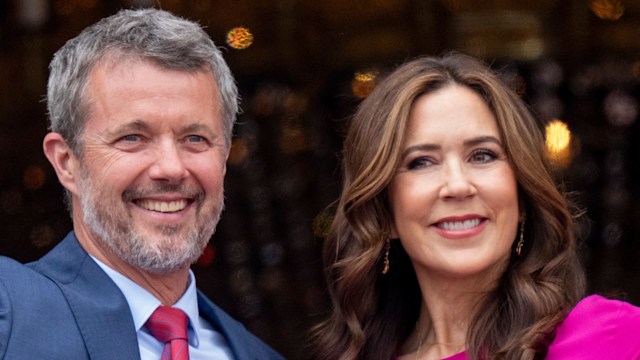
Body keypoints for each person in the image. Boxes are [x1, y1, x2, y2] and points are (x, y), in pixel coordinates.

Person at [311, 53, 640, 360]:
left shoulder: (610, 339)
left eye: (482, 155)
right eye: (421, 161)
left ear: (522, 196)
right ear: (383, 215)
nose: (457, 185)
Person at [0, 8, 283, 360]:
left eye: (195, 138)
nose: (171, 168)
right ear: (66, 162)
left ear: (224, 158)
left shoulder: (259, 356)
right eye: (133, 137)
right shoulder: (9, 310)